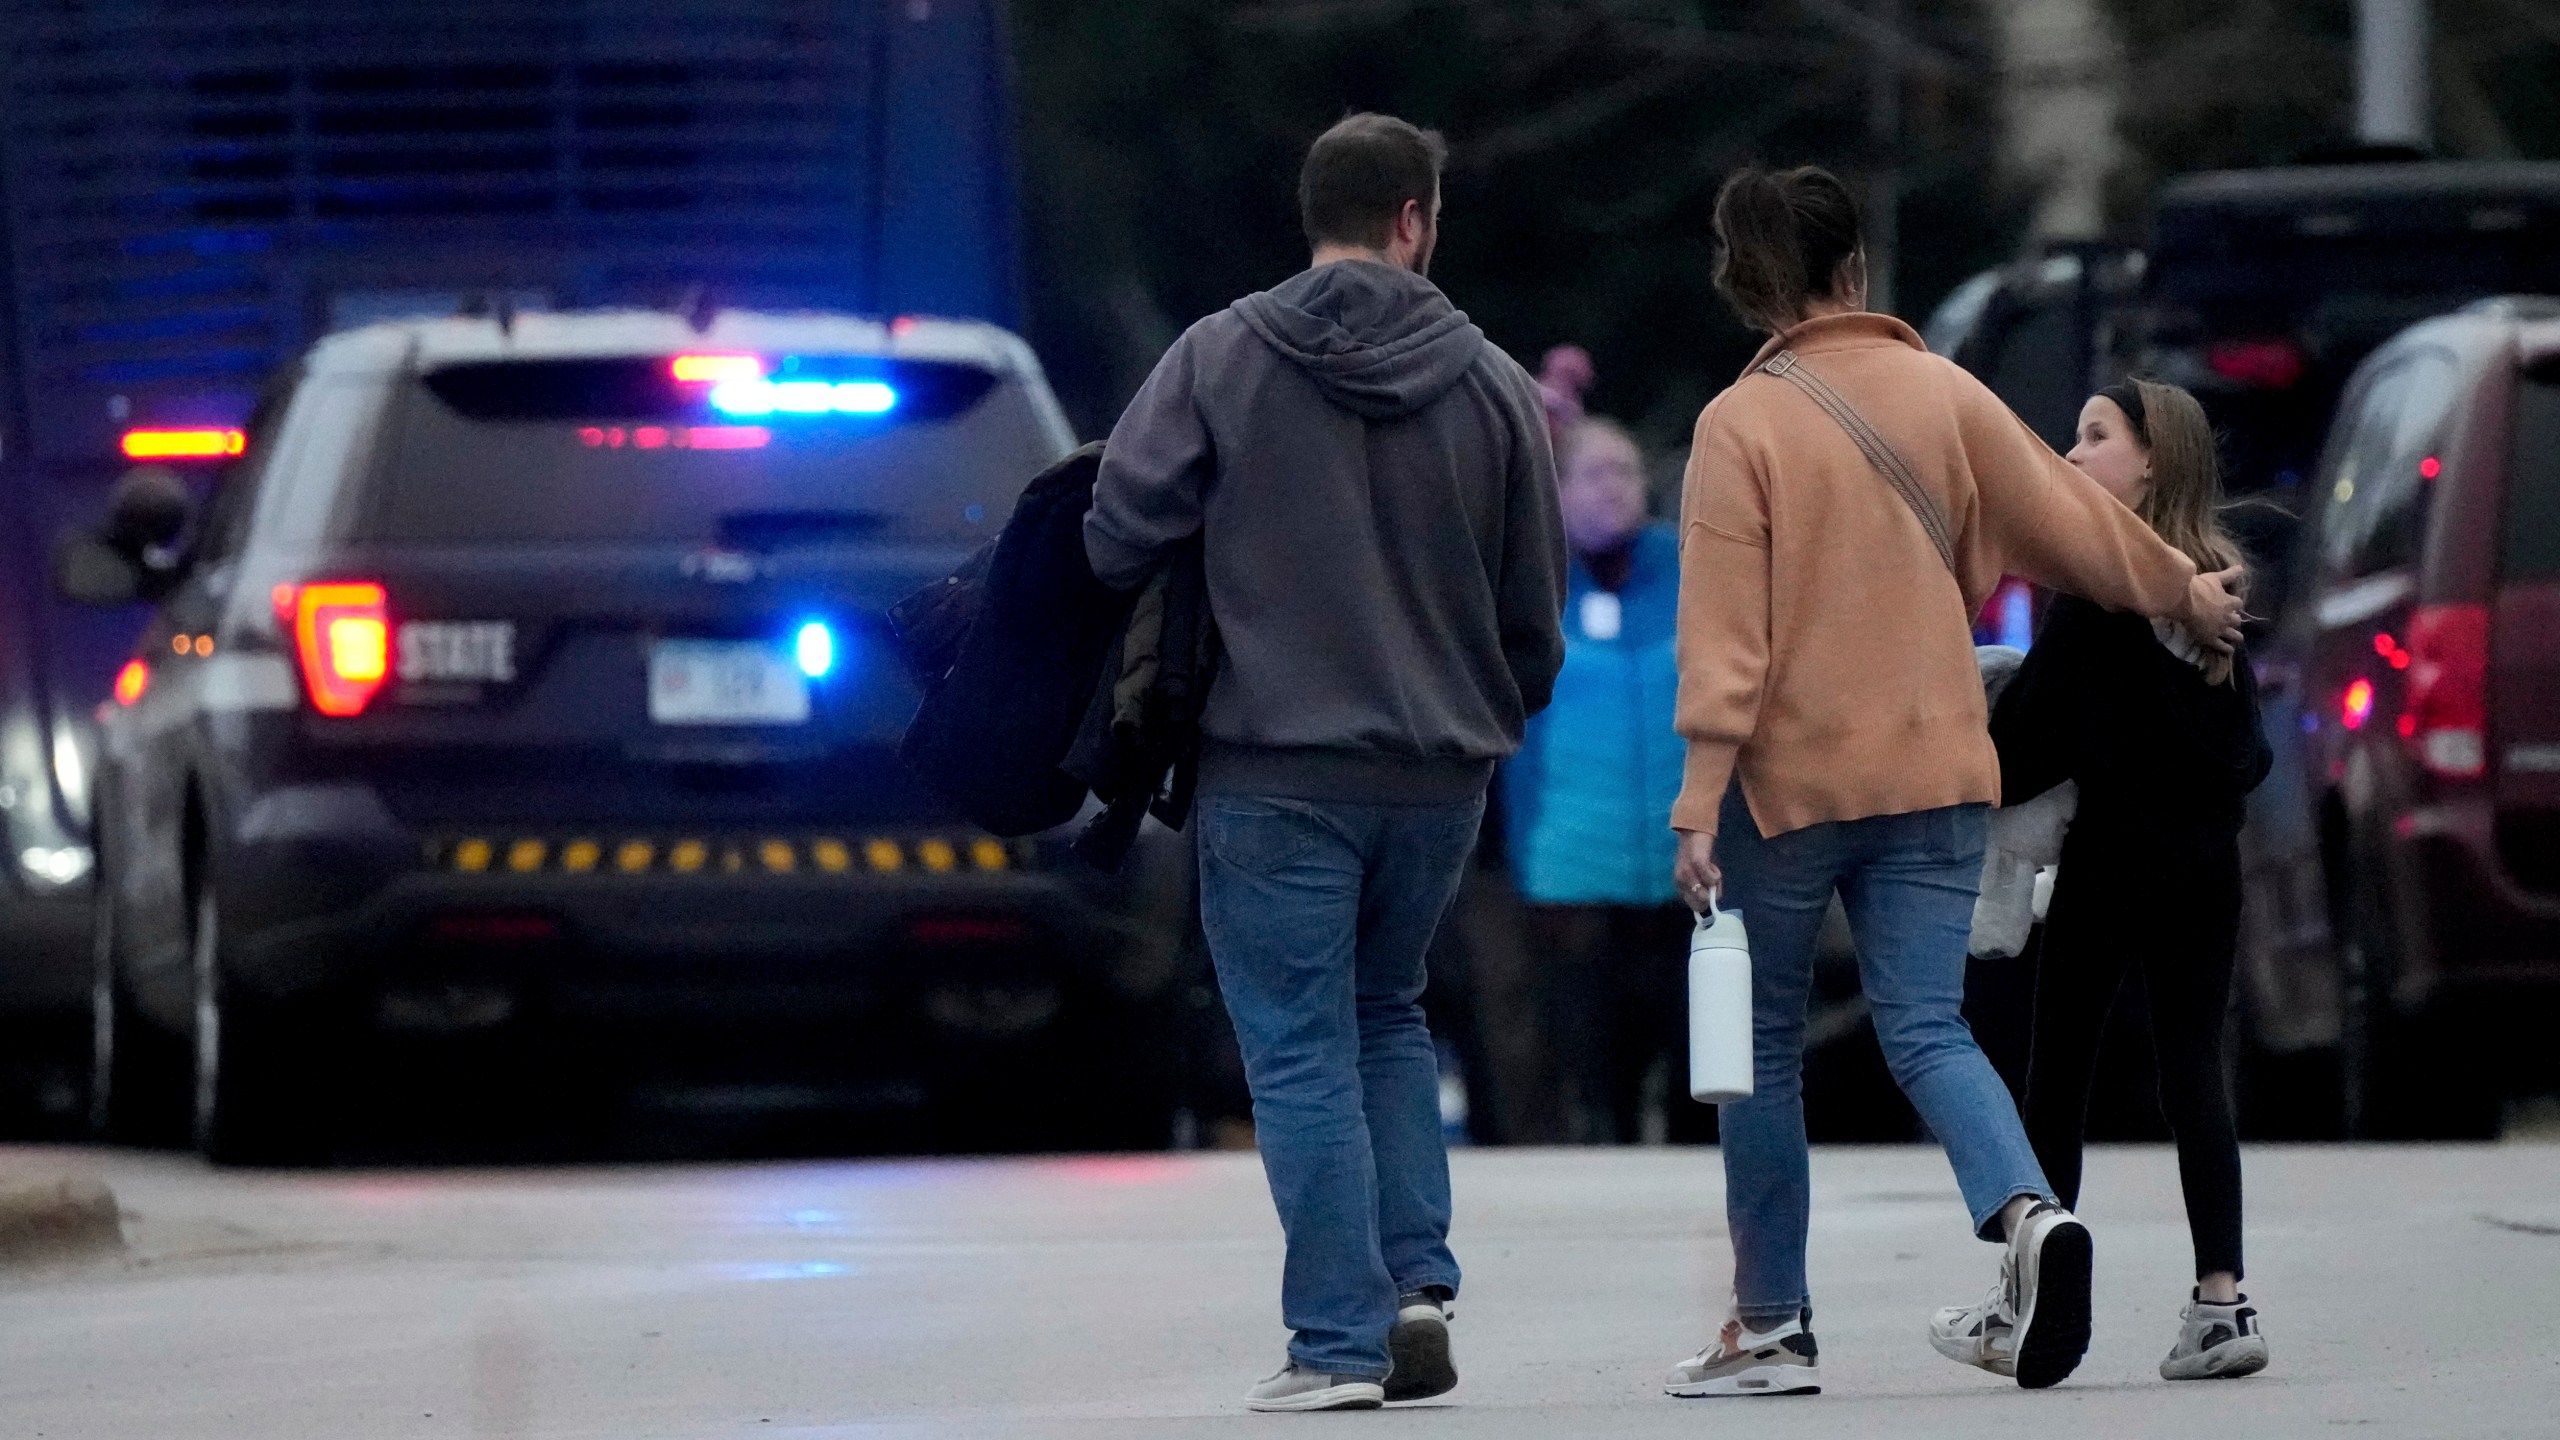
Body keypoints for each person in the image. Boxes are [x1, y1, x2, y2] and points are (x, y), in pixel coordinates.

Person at [1659, 164, 2249, 1397]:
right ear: (1855, 273)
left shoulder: (1738, 427)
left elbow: (1723, 639)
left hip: (1793, 785)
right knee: (1926, 1026)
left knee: (1761, 1050)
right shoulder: (1943, 393)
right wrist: (2180, 589)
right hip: (1938, 771)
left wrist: (1698, 793)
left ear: (1739, 285)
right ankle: (2032, 1216)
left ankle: (1768, 1327)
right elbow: (2072, 524)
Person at [1086, 112, 1566, 1412]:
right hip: (1438, 777)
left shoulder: (1223, 356)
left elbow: (1116, 527)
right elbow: (1535, 619)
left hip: (1275, 767)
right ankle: (1415, 1287)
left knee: (1296, 1045)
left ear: (1323, 214)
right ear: (1414, 219)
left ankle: (1337, 1344)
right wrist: (1484, 713)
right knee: (1388, 1012)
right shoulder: (1496, 386)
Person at [1991, 378, 2274, 1382]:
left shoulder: (2097, 601)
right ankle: (2221, 1301)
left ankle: (2032, 1301)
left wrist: (1971, 710)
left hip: (2112, 860)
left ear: (2151, 459)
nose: (2069, 457)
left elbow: (2021, 750)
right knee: (2195, 1073)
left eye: (2092, 436)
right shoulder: (2218, 592)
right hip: (2205, 864)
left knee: (2056, 1073)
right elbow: (2250, 755)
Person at [1506, 415, 1710, 1143]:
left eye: (1626, 471)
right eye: (1594, 473)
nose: (1615, 487)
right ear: (1554, 491)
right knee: (1597, 1073)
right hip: (1568, 877)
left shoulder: (1689, 568)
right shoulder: (1527, 575)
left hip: (1680, 866)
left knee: (1696, 1068)